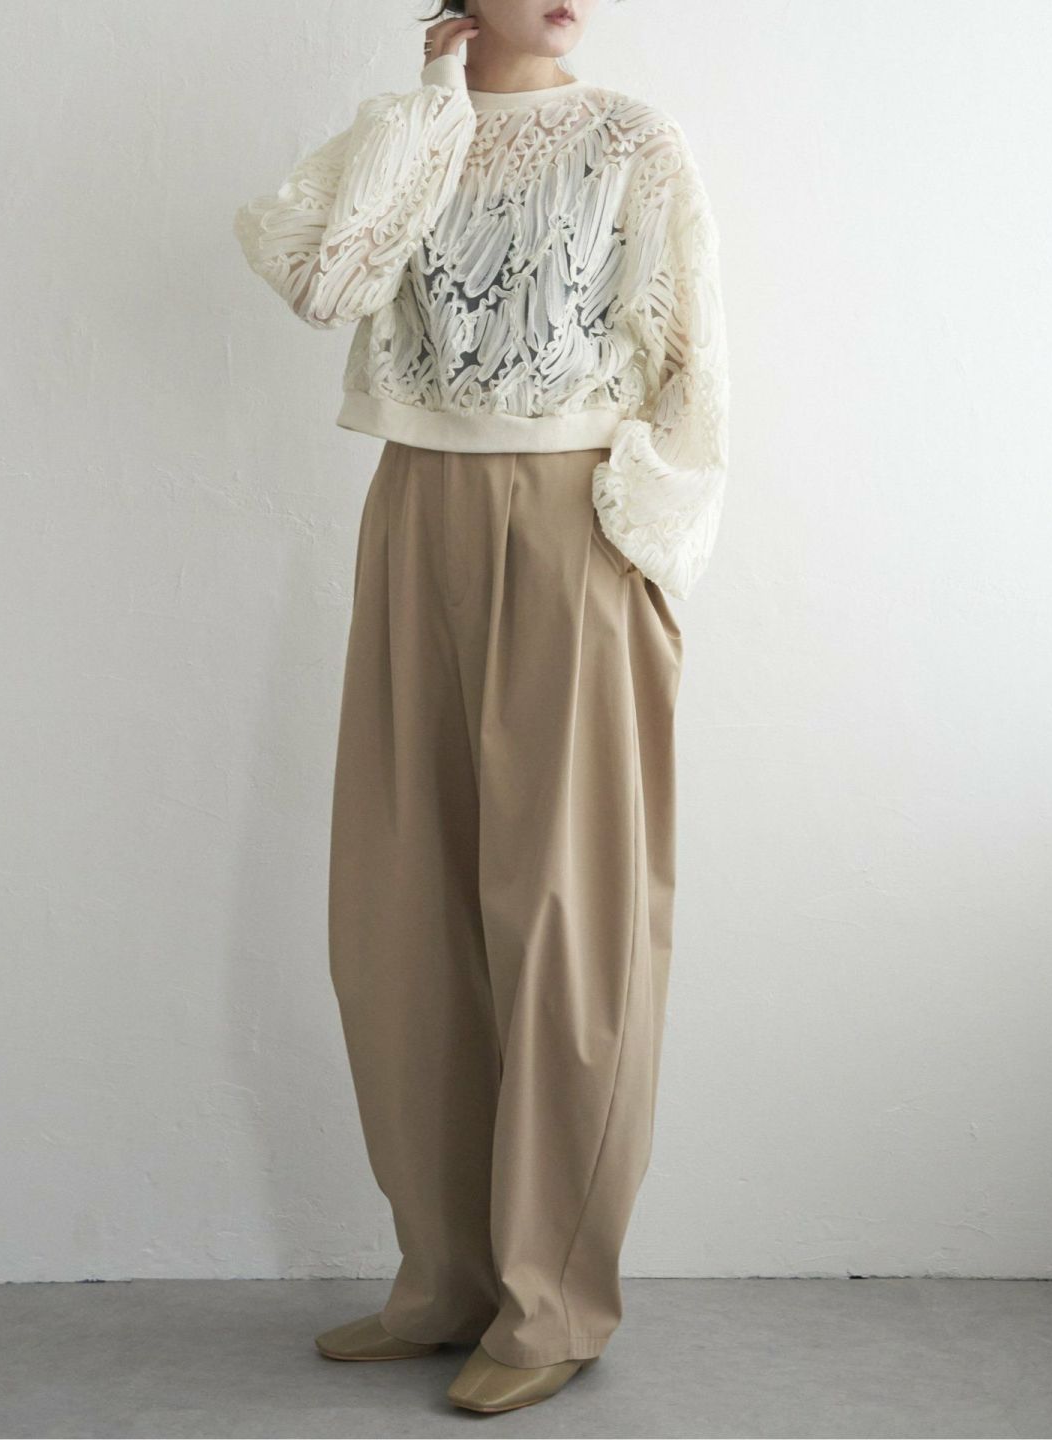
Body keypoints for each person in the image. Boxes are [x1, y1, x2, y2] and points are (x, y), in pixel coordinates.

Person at [233, 0, 730, 1415]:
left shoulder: (631, 139)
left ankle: (553, 1297)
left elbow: (696, 366)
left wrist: (642, 557)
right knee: (399, 910)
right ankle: (445, 1279)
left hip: (578, 519)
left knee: (567, 920)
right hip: (416, 509)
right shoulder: (407, 135)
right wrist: (433, 98)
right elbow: (324, 278)